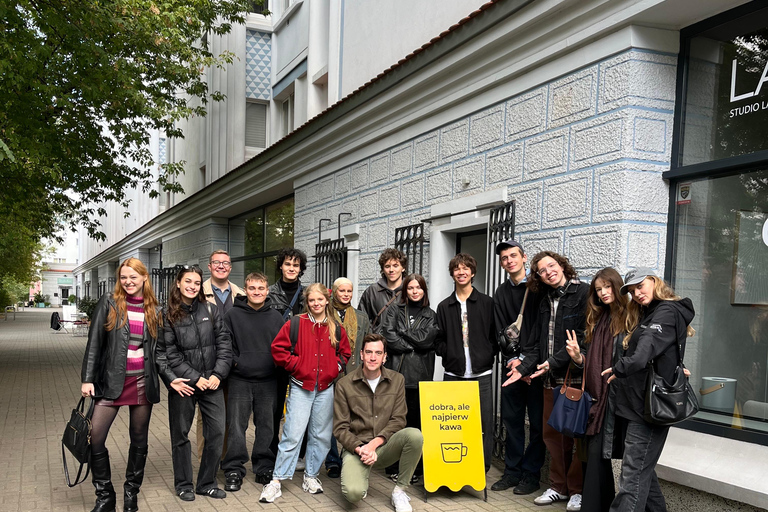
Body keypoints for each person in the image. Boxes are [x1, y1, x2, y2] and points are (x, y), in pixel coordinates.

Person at [601, 268, 695, 512]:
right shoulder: (649, 312)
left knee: (632, 478)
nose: (637, 293)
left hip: (649, 410)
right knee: (643, 471)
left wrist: (620, 368)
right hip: (637, 406)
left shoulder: (666, 311)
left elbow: (644, 351)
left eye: (641, 285)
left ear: (655, 281)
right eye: (632, 290)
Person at [504, 251, 589, 511]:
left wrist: (552, 362)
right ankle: (558, 486)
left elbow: (585, 338)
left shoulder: (583, 293)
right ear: (538, 276)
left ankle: (577, 491)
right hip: (549, 381)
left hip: (574, 378)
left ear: (562, 266)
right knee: (553, 436)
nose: (548, 271)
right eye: (542, 270)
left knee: (576, 438)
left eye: (552, 265)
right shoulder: (543, 300)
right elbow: (536, 343)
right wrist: (524, 367)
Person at [81, 258, 163, 512]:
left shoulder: (154, 309)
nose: (128, 282)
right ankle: (105, 496)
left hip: (141, 381)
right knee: (94, 436)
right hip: (111, 381)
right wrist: (87, 378)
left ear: (144, 278)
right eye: (124, 277)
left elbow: (159, 352)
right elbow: (95, 342)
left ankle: (131, 493)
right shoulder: (109, 302)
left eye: (133, 277)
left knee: (138, 438)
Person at [259, 283, 351, 503]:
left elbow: (345, 352)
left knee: (320, 436)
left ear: (326, 300)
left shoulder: (335, 327)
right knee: (293, 433)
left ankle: (311, 475)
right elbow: (278, 349)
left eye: (320, 300)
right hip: (301, 387)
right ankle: (277, 480)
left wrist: (334, 369)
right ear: (307, 302)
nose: (316, 303)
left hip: (326, 389)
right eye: (312, 300)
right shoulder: (296, 323)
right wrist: (296, 365)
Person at [158, 265, 233, 501]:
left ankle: (206, 482)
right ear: (178, 283)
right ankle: (183, 484)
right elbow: (170, 354)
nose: (192, 286)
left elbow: (224, 346)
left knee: (217, 433)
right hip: (185, 384)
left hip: (212, 383)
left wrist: (217, 375)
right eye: (188, 281)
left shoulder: (211, 310)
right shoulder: (166, 314)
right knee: (180, 435)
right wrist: (195, 378)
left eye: (197, 283)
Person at [333, 334, 424, 512]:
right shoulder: (344, 384)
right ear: (361, 354)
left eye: (378, 353)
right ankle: (361, 479)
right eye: (368, 352)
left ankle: (399, 491)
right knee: (353, 494)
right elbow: (340, 428)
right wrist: (362, 449)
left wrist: (374, 444)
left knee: (414, 436)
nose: (373, 357)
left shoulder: (397, 380)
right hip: (357, 449)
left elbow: (399, 419)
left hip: (386, 446)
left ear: (385, 357)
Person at [564, 268, 628, 511]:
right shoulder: (599, 318)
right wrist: (579, 358)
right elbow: (592, 361)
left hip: (617, 400)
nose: (603, 293)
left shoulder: (630, 316)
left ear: (617, 286)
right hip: (596, 399)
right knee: (594, 457)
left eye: (607, 287)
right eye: (599, 289)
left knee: (623, 461)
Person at [221, 272, 286, 491]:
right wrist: (238, 364)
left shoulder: (276, 317)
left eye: (261, 288)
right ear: (245, 290)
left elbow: (283, 347)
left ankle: (264, 465)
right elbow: (226, 346)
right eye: (252, 288)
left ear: (267, 291)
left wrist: (274, 366)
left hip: (268, 380)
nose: (256, 292)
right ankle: (233, 468)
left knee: (267, 425)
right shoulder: (232, 315)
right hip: (239, 379)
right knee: (237, 426)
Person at [491, 239, 545, 495]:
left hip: (536, 368)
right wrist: (514, 362)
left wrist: (526, 364)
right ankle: (511, 472)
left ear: (524, 258)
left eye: (513, 256)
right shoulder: (501, 293)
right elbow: (502, 330)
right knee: (512, 422)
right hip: (512, 367)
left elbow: (541, 329)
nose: (509, 260)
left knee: (537, 424)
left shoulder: (538, 288)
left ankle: (531, 475)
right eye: (504, 258)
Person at [435, 253, 497, 473]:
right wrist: (449, 353)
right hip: (453, 374)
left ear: (472, 272)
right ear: (452, 273)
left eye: (465, 268)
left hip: (482, 374)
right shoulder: (444, 306)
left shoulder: (487, 302)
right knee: (454, 422)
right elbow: (438, 338)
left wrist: (488, 354)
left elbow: (494, 334)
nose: (461, 272)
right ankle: (457, 467)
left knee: (483, 424)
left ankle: (482, 468)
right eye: (457, 268)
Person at [380, 273, 438, 483]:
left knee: (415, 425)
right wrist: (410, 344)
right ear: (405, 291)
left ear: (424, 290)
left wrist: (403, 333)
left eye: (419, 288)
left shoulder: (431, 314)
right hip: (396, 375)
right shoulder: (395, 310)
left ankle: (414, 468)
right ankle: (393, 465)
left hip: (419, 377)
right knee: (395, 423)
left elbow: (426, 340)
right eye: (411, 288)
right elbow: (388, 334)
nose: (415, 291)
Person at [197, 250, 245, 459]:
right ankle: (206, 460)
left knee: (232, 413)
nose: (221, 266)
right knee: (207, 414)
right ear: (209, 267)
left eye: (226, 263)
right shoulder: (198, 292)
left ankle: (227, 459)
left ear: (231, 267)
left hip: (235, 363)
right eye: (216, 262)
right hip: (208, 363)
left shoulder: (241, 294)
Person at [325, 277, 371, 478]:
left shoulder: (361, 317)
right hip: (331, 375)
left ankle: (349, 456)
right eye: (342, 291)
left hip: (354, 375)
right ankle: (332, 460)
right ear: (334, 292)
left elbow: (367, 345)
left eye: (349, 291)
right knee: (330, 419)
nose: (345, 294)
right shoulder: (325, 315)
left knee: (354, 420)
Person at [268, 247, 308, 461]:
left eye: (296, 265)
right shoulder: (269, 292)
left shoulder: (308, 293)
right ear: (281, 266)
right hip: (278, 359)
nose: (291, 268)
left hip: (302, 358)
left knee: (299, 407)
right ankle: (272, 450)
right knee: (274, 409)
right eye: (288, 264)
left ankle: (300, 452)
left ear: (301, 268)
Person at [358, 248, 408, 333]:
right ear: (383, 269)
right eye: (387, 266)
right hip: (379, 343)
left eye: (395, 266)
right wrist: (373, 337)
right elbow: (362, 320)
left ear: (403, 268)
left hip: (403, 343)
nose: (391, 270)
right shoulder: (372, 291)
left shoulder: (410, 290)